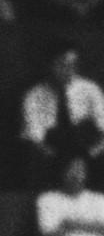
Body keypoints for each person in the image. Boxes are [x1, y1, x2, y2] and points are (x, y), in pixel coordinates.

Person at [22, 40, 104, 186]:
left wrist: (91, 154)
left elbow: (102, 126)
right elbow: (35, 136)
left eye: (73, 65)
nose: (69, 70)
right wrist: (57, 158)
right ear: (49, 65)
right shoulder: (35, 95)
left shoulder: (90, 89)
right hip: (52, 151)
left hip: (87, 148)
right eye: (62, 65)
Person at [37, 155, 104, 236]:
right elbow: (49, 235)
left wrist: (71, 225)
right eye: (71, 169)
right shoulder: (47, 199)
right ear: (62, 172)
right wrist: (91, 226)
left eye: (80, 170)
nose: (75, 175)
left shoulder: (99, 199)